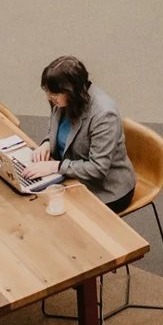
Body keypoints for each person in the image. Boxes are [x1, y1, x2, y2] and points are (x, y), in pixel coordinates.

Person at [20, 56, 135, 212]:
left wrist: (56, 166)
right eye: (47, 92)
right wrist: (47, 143)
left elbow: (98, 169)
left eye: (54, 94)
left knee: (53, 211)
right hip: (71, 175)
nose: (49, 97)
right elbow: (56, 130)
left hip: (106, 190)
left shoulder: (104, 114)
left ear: (72, 91)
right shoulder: (63, 100)